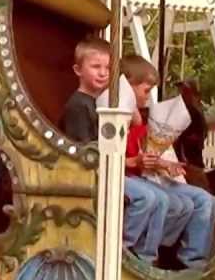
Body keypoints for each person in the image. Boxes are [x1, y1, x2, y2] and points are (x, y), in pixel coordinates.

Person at [60, 37, 172, 265]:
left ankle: (147, 257)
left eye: (108, 68)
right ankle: (120, 250)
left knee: (161, 198)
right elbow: (87, 152)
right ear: (77, 70)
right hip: (91, 174)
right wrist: (129, 162)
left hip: (108, 169)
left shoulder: (100, 102)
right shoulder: (78, 106)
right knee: (146, 197)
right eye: (96, 67)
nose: (103, 73)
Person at [146, 77, 215, 271]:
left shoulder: (194, 114)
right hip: (171, 165)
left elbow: (191, 142)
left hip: (186, 163)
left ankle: (197, 255)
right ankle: (176, 256)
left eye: (185, 90)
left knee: (210, 201)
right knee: (192, 201)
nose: (182, 94)